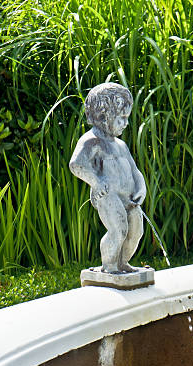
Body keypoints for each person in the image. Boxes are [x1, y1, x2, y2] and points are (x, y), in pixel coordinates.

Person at [69, 83, 146, 273]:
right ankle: (109, 266)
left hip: (128, 197)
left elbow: (134, 169)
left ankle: (123, 262)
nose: (126, 123)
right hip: (107, 195)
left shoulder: (120, 144)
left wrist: (141, 186)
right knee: (118, 229)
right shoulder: (91, 140)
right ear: (103, 117)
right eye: (121, 118)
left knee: (136, 231)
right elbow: (76, 165)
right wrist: (96, 182)